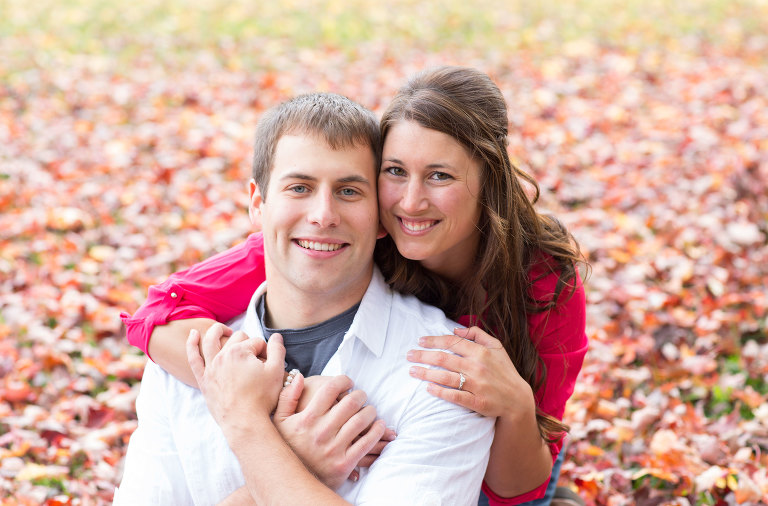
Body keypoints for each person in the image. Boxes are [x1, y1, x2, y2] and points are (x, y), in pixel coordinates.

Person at [120, 66, 588, 505]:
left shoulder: (543, 283)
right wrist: (280, 405)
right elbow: (156, 313)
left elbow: (519, 488)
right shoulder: (338, 239)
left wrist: (516, 405)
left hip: (510, 452)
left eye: (440, 176)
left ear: (489, 182)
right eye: (395, 172)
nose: (410, 201)